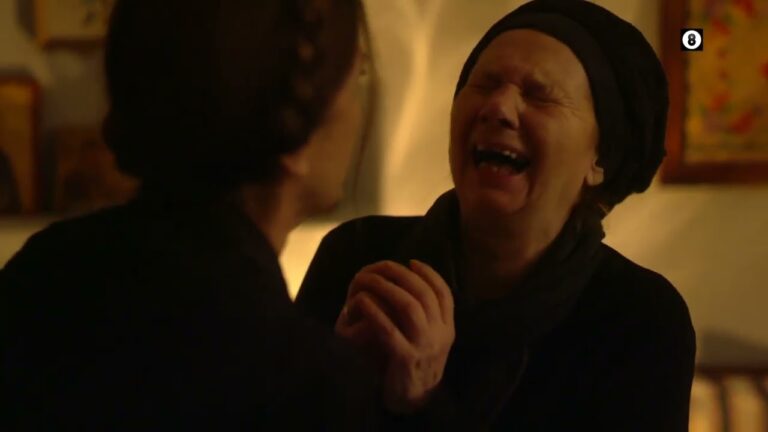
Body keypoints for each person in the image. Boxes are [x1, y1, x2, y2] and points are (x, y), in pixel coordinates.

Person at [1, 0, 454, 429]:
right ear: (292, 131)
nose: (357, 111)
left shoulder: (45, 266)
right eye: (355, 76)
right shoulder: (300, 383)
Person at [296, 0, 697, 430]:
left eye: (539, 95)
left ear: (600, 158)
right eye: (485, 84)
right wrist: (338, 383)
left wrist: (424, 401)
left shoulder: (640, 318)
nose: (498, 108)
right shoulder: (357, 255)